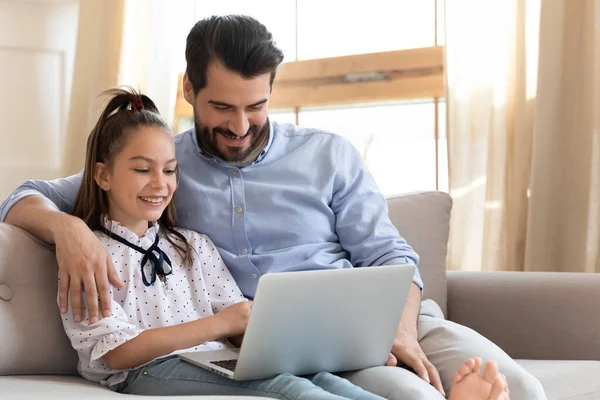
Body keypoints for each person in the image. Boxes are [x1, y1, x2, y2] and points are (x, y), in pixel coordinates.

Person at [0, 14, 544, 400]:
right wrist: (67, 228)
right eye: (222, 107)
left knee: (523, 390)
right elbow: (22, 198)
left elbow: (390, 254)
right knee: (409, 395)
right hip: (296, 344)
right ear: (189, 89)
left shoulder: (328, 154)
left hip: (395, 318)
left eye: (255, 106)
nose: (240, 127)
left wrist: (399, 328)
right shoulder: (164, 164)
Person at [58, 86, 509, 400]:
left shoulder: (191, 246)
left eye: (170, 170)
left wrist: (314, 341)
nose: (160, 184)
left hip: (215, 359)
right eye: (142, 169)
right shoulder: (90, 256)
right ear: (102, 175)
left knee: (321, 382)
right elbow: (114, 352)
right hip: (146, 372)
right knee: (288, 391)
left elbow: (240, 319)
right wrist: (218, 326)